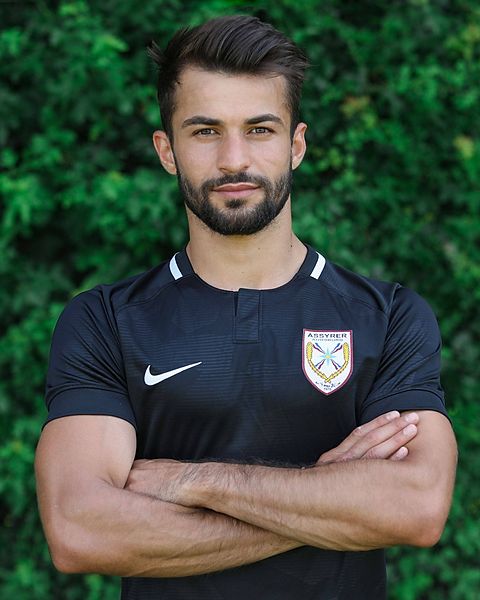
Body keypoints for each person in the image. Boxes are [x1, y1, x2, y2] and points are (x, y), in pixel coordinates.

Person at [35, 15, 457, 600]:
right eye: (205, 131)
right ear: (167, 150)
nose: (234, 159)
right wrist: (330, 499)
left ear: (296, 145)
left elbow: (417, 507)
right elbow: (80, 531)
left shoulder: (389, 317)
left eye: (259, 129)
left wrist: (195, 481)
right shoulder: (104, 321)